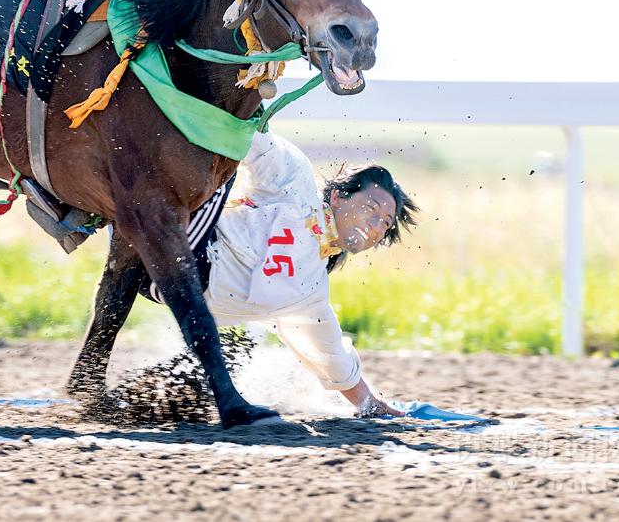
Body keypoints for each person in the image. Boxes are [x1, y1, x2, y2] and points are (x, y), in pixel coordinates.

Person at [142, 131, 419, 417]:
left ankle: (157, 392)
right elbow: (241, 132)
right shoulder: (295, 180)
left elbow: (333, 358)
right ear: (338, 197)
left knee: (241, 346)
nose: (375, 225)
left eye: (385, 224)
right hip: (169, 234)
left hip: (160, 286)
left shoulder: (311, 294)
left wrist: (370, 404)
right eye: (371, 208)